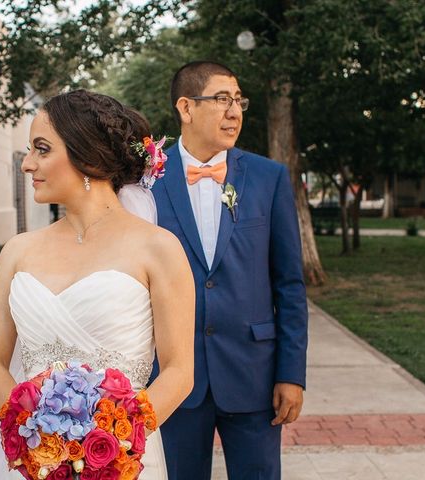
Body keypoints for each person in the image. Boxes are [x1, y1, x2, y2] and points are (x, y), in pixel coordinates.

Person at [0, 90, 195, 479]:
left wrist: (114, 445)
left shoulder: (158, 249)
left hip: (123, 463)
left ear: (86, 156)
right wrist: (37, 443)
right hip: (34, 465)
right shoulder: (18, 251)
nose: (27, 165)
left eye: (42, 149)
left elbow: (179, 372)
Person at [150, 61, 308, 480]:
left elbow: (289, 284)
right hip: (171, 380)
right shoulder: (144, 181)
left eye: (239, 101)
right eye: (222, 99)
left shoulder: (268, 178)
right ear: (185, 107)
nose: (234, 111)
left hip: (254, 374)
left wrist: (292, 374)